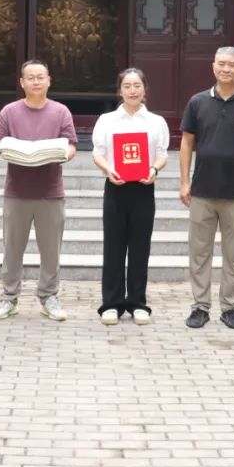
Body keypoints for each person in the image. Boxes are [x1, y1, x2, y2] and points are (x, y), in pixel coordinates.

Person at [179, 47, 234, 330]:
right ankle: (200, 306)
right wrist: (184, 181)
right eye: (221, 64)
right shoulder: (197, 102)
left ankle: (229, 307)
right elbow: (187, 142)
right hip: (201, 192)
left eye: (232, 65)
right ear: (213, 66)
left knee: (233, 255)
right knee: (199, 253)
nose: (226, 69)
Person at [0, 60, 77, 321]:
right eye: (31, 77)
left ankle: (49, 297)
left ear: (49, 81)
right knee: (12, 249)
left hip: (51, 191)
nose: (36, 81)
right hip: (17, 191)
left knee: (51, 250)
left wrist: (62, 154)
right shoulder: (9, 111)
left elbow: (72, 145)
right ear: (22, 82)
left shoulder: (61, 111)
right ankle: (9, 298)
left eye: (40, 77)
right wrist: (12, 152)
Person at [91, 68, 169, 326]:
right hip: (116, 186)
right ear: (120, 90)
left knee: (140, 247)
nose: (132, 90)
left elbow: (162, 154)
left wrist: (154, 169)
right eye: (127, 86)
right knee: (113, 246)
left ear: (145, 89)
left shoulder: (156, 121)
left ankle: (137, 303)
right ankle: (111, 304)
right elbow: (98, 153)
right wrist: (108, 169)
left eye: (137, 85)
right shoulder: (107, 120)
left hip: (144, 187)